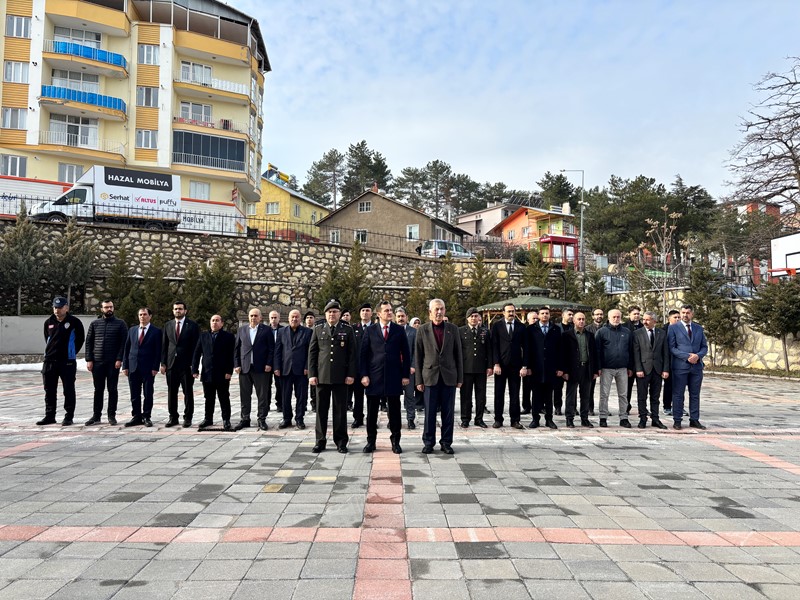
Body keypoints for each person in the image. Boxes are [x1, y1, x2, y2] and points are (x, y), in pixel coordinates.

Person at [361, 301, 410, 454]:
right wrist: (364, 375)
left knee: (395, 412)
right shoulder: (370, 331)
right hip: (374, 377)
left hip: (394, 376)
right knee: (372, 412)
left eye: (391, 310)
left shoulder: (398, 330)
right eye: (386, 311)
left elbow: (406, 353)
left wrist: (405, 375)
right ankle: (371, 441)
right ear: (379, 314)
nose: (390, 313)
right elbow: (363, 354)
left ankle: (395, 441)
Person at [415, 298, 463, 454]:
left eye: (442, 309)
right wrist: (419, 380)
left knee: (448, 413)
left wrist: (460, 378)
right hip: (430, 377)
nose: (439, 312)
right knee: (429, 412)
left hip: (449, 377)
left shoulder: (453, 329)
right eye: (436, 309)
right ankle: (428, 442)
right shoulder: (422, 330)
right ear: (430, 312)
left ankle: (446, 442)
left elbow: (458, 354)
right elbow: (418, 356)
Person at [309, 300, 357, 453]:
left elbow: (352, 355)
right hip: (322, 376)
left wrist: (351, 374)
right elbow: (312, 353)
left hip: (340, 377)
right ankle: (320, 441)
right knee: (321, 411)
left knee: (340, 411)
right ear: (325, 314)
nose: (332, 314)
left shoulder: (347, 330)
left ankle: (341, 442)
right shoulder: (318, 329)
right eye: (329, 312)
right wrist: (312, 374)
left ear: (339, 314)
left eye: (335, 312)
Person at [38, 296, 86, 426]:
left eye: (60, 307)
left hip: (67, 362)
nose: (57, 310)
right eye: (55, 307)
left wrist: (71, 352)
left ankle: (68, 416)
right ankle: (50, 416)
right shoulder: (48, 322)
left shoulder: (74, 322)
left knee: (68, 389)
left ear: (66, 308)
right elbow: (47, 338)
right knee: (49, 389)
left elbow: (80, 339)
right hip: (50, 361)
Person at [84, 299, 128, 426]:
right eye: (106, 307)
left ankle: (111, 415)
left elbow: (124, 343)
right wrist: (89, 359)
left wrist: (119, 359)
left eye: (111, 307)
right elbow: (89, 342)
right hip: (97, 362)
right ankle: (96, 416)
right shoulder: (95, 324)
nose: (109, 309)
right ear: (101, 309)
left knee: (112, 389)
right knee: (98, 389)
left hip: (113, 362)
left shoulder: (120, 324)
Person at [668, 304, 708, 430]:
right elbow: (672, 348)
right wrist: (687, 356)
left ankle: (694, 419)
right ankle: (677, 420)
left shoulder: (698, 328)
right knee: (678, 394)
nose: (685, 315)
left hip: (696, 367)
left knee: (695, 394)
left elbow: (704, 347)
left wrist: (698, 356)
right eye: (683, 313)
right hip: (680, 366)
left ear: (692, 314)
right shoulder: (673, 328)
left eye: (688, 313)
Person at [160, 301, 200, 427]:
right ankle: (173, 417)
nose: (178, 311)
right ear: (173, 311)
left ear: (185, 311)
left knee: (187, 392)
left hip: (186, 365)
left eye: (180, 309)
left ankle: (188, 417)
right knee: (172, 392)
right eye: (176, 309)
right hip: (171, 364)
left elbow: (196, 347)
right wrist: (163, 363)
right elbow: (164, 345)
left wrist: (194, 365)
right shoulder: (168, 325)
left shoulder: (192, 325)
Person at [192, 314, 235, 431]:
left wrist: (229, 371)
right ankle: (208, 418)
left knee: (224, 397)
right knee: (208, 398)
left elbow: (231, 355)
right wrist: (194, 369)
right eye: (213, 320)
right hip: (207, 372)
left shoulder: (228, 337)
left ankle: (226, 419)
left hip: (222, 373)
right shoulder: (203, 336)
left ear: (222, 323)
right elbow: (197, 353)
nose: (214, 322)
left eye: (217, 320)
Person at [234, 308, 274, 431]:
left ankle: (261, 419)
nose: (253, 318)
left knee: (262, 395)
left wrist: (269, 363)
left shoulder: (266, 330)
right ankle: (245, 418)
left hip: (261, 368)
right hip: (245, 368)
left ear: (260, 317)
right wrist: (237, 364)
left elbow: (271, 348)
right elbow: (237, 348)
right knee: (245, 395)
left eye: (256, 316)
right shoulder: (242, 330)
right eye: (251, 315)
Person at [122, 307, 162, 427]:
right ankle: (136, 416)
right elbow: (127, 348)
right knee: (134, 393)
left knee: (148, 393)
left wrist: (155, 367)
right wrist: (125, 365)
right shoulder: (132, 330)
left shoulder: (156, 331)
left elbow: (158, 351)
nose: (142, 317)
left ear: (150, 316)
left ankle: (146, 416)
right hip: (133, 366)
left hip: (148, 367)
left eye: (145, 314)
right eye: (140, 314)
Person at [490, 303, 528, 429]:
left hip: (516, 366)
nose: (511, 313)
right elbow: (494, 346)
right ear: (503, 312)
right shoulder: (497, 326)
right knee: (499, 394)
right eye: (509, 311)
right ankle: (498, 419)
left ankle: (515, 420)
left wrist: (524, 366)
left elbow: (526, 347)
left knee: (515, 394)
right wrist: (496, 363)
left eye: (513, 311)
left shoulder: (521, 327)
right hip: (501, 366)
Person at [595, 308, 634, 428]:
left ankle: (624, 418)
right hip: (606, 368)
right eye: (614, 317)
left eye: (618, 317)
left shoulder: (627, 332)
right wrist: (598, 367)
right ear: (609, 318)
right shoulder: (602, 332)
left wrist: (630, 367)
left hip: (622, 368)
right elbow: (597, 351)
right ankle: (603, 417)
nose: (616, 319)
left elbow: (631, 350)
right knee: (604, 394)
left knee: (623, 394)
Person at [274, 309, 312, 429]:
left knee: (301, 396)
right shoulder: (281, 331)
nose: (294, 319)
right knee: (285, 396)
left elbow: (310, 352)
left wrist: (307, 366)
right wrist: (277, 367)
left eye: (296, 317)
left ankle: (299, 419)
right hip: (285, 369)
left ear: (300, 319)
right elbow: (278, 351)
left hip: (301, 370)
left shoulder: (307, 332)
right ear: (288, 318)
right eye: (292, 317)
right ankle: (286, 418)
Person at [632, 311, 670, 429]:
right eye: (644, 319)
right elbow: (636, 353)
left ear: (654, 321)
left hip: (657, 369)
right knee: (642, 396)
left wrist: (665, 369)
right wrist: (638, 369)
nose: (645, 322)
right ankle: (643, 418)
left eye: (648, 320)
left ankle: (655, 419)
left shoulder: (661, 333)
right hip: (643, 369)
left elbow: (665, 353)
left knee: (655, 396)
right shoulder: (637, 333)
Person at [560, 311, 598, 428]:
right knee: (571, 396)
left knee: (586, 395)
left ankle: (584, 419)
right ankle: (569, 419)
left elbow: (594, 353)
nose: (581, 321)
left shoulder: (590, 335)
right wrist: (565, 371)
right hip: (572, 370)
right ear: (574, 321)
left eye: (583, 319)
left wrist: (595, 370)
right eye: (579, 319)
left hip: (587, 368)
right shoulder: (566, 335)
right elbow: (563, 355)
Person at [527, 306, 562, 429]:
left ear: (549, 315)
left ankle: (549, 419)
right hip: (535, 368)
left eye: (547, 313)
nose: (545, 315)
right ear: (538, 315)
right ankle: (535, 419)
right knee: (536, 395)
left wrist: (559, 367)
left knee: (548, 396)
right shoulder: (531, 329)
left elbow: (560, 350)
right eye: (542, 313)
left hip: (551, 368)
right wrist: (527, 366)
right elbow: (527, 349)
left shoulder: (556, 329)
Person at [459, 307, 492, 428]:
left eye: (476, 316)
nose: (474, 318)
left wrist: (490, 366)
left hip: (481, 369)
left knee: (481, 395)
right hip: (466, 369)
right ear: (467, 318)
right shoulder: (460, 331)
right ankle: (465, 418)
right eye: (471, 316)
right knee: (466, 395)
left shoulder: (485, 332)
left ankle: (479, 419)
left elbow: (489, 350)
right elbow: (458, 351)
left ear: (479, 318)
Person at [395, 306, 418, 429]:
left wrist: (413, 365)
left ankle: (410, 419)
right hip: (394, 370)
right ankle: (393, 419)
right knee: (393, 397)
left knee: (409, 396)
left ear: (407, 317)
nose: (400, 318)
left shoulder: (413, 332)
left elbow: (416, 351)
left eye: (402, 316)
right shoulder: (391, 330)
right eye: (398, 316)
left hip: (408, 370)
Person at [350, 303, 372, 426]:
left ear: (371, 313)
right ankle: (358, 418)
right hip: (357, 368)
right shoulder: (354, 328)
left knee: (372, 396)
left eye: (367, 310)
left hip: (372, 368)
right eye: (363, 310)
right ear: (359, 313)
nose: (365, 312)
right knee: (358, 395)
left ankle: (371, 418)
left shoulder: (375, 328)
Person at [552, 308, 574, 415]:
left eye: (572, 315)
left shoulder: (574, 328)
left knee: (572, 388)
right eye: (569, 314)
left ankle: (572, 407)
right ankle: (557, 407)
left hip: (572, 362)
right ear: (563, 315)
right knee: (557, 387)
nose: (571, 316)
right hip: (559, 361)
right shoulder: (555, 328)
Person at [624, 305, 644, 415]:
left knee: (642, 388)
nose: (636, 316)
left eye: (638, 314)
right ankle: (626, 407)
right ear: (629, 314)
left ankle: (642, 408)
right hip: (629, 362)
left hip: (642, 362)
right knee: (627, 387)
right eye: (634, 314)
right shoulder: (624, 327)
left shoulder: (643, 326)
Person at [586, 308, 606, 415]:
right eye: (597, 314)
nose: (599, 316)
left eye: (601, 314)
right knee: (590, 387)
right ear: (593, 316)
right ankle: (590, 408)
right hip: (592, 361)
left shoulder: (607, 328)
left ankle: (604, 408)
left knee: (605, 388)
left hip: (605, 361)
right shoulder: (587, 329)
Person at [662, 309, 680, 416]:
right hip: (667, 361)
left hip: (679, 361)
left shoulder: (682, 329)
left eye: (678, 317)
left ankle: (678, 406)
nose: (677, 319)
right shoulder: (663, 330)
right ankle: (667, 406)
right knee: (668, 385)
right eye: (675, 317)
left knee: (679, 386)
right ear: (669, 318)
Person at [521, 311, 538, 415]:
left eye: (537, 318)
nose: (535, 320)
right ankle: (526, 406)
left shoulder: (540, 330)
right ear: (528, 320)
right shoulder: (526, 331)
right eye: (533, 319)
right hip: (527, 363)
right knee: (526, 387)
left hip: (539, 364)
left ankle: (539, 406)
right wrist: (526, 366)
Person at [266, 310, 283, 413]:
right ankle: (266, 404)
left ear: (279, 318)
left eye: (275, 317)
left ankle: (280, 404)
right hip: (267, 362)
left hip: (279, 362)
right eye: (272, 318)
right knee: (266, 385)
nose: (273, 320)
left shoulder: (283, 330)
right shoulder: (264, 330)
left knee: (280, 385)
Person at [303, 311, 317, 411]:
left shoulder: (317, 330)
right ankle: (303, 404)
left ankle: (314, 403)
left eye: (311, 317)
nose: (309, 319)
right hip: (303, 362)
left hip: (314, 362)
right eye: (307, 318)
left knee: (314, 385)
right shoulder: (302, 331)